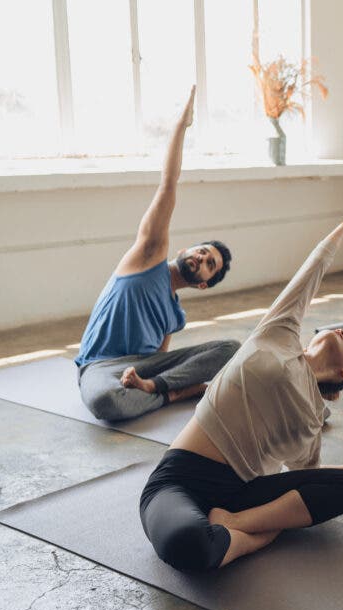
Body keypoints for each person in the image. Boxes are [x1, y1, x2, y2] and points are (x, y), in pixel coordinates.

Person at [140, 220, 343, 572]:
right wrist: (340, 231)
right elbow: (308, 277)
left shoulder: (311, 421)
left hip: (244, 494)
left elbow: (310, 480)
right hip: (182, 478)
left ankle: (237, 525)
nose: (340, 330)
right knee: (185, 544)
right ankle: (251, 533)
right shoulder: (280, 335)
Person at [74, 86, 239, 422]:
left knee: (230, 349)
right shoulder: (147, 258)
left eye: (210, 265)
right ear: (184, 250)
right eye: (203, 252)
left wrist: (153, 381)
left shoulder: (174, 317)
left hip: (144, 370)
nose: (201, 259)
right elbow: (169, 183)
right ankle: (173, 395)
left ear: (204, 284)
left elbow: (158, 359)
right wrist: (181, 127)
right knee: (106, 403)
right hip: (102, 367)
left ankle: (159, 390)